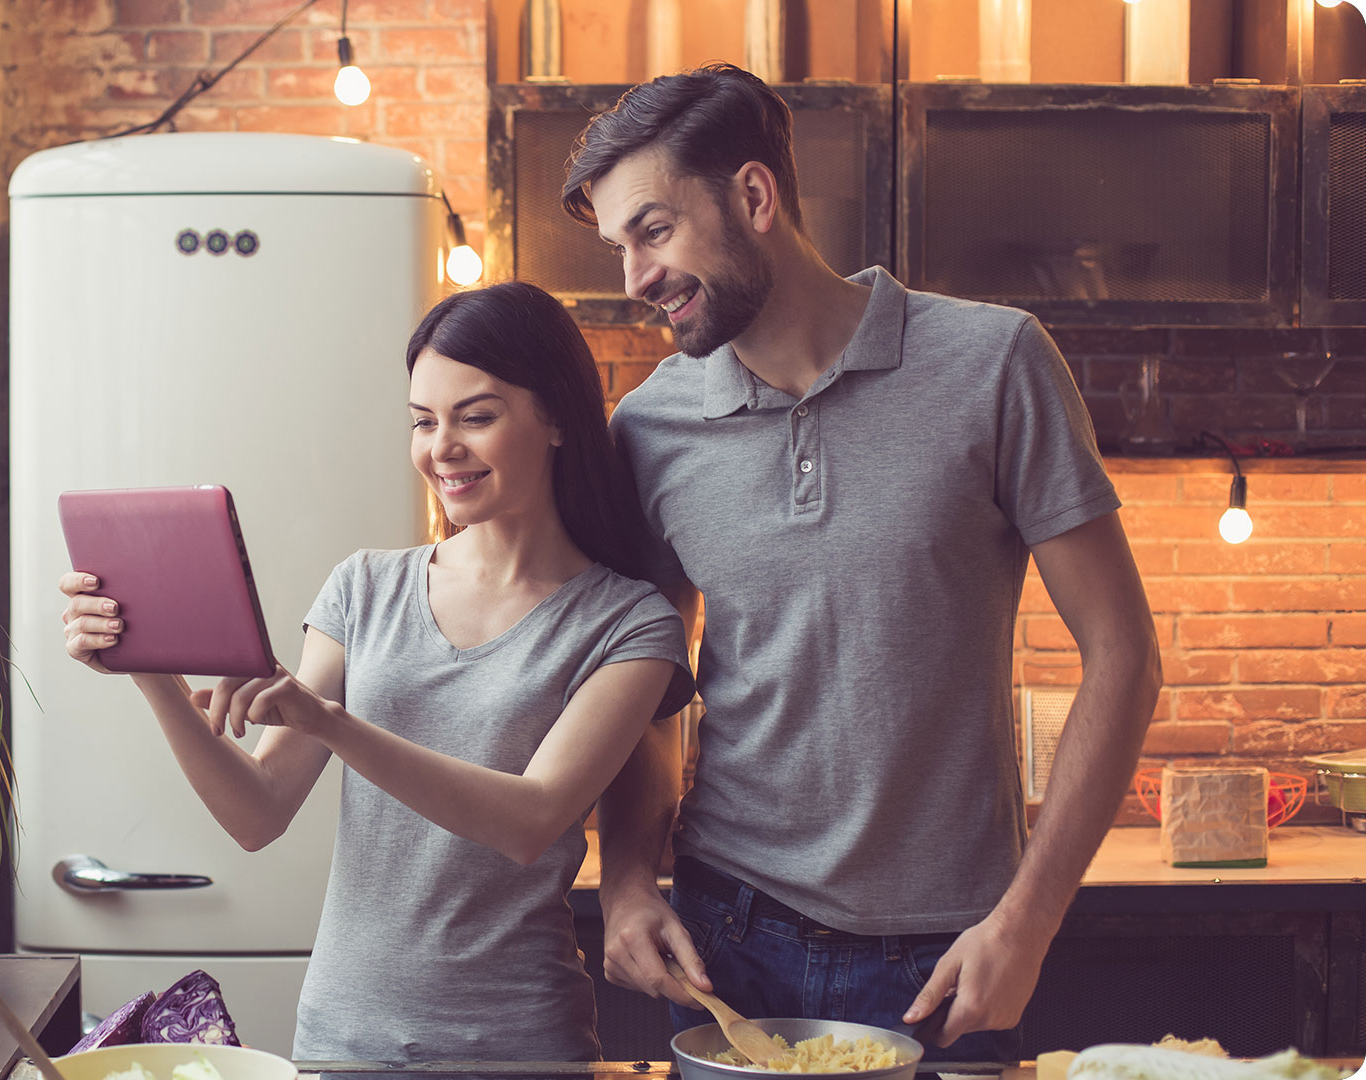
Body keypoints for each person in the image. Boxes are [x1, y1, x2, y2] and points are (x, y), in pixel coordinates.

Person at [559, 63, 1163, 1061]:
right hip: (727, 944)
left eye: (654, 231)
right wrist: (625, 885)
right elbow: (646, 697)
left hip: (950, 957)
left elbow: (1124, 655)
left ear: (755, 198)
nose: (633, 278)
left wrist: (1030, 920)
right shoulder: (652, 427)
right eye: (620, 245)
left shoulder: (994, 364)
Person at [58, 281, 696, 1063]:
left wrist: (330, 721)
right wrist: (146, 666)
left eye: (477, 416)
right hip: (343, 1038)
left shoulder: (628, 623)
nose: (441, 448)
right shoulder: (365, 587)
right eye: (423, 422)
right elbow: (256, 814)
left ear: (557, 416)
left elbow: (530, 821)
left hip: (517, 1047)